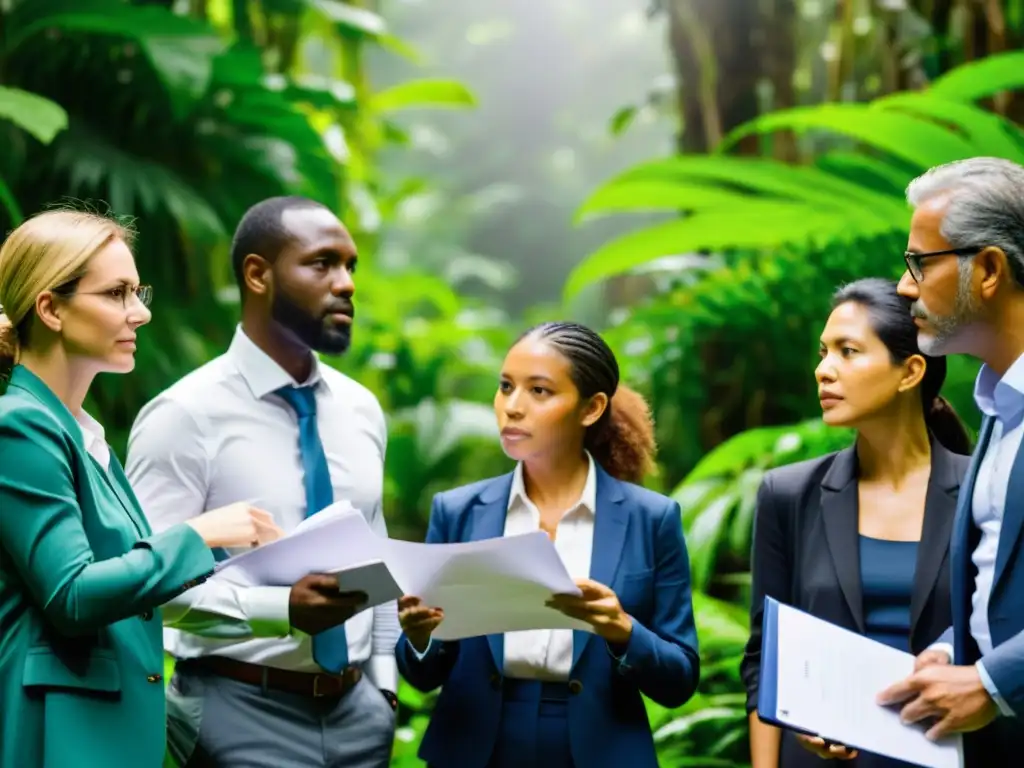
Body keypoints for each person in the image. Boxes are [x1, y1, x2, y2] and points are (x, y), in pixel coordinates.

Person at [125, 196, 401, 768]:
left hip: (360, 719)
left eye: (351, 266)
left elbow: (375, 558)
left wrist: (385, 689)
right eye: (322, 264)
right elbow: (144, 587)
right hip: (237, 710)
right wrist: (277, 608)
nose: (346, 283)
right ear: (258, 274)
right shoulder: (183, 416)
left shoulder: (361, 410)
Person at [0, 209, 281, 768]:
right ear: (51, 308)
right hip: (57, 732)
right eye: (118, 293)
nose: (141, 312)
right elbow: (72, 595)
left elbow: (133, 587)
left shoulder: (83, 435)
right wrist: (198, 532)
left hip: (110, 725)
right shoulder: (19, 425)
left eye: (138, 291)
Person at [396, 321, 700, 768]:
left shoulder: (651, 518)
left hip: (599, 748)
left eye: (539, 391)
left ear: (591, 407)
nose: (512, 407)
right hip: (477, 746)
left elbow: (681, 678)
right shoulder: (458, 511)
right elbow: (420, 673)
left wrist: (623, 630)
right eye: (505, 387)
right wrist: (421, 635)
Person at [743, 278, 973, 768]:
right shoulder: (787, 495)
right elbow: (765, 661)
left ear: (910, 371)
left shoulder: (984, 491)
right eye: (823, 352)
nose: (823, 371)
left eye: (848, 352)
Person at [876, 157, 1024, 764]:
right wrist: (951, 649)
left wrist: (994, 681)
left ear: (988, 270)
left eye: (920, 261)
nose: (905, 285)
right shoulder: (999, 407)